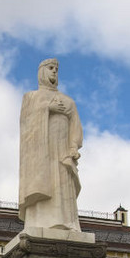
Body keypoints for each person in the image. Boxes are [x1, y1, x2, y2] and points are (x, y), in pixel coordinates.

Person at [19, 58, 83, 232]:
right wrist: (47, 108)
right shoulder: (31, 97)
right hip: (40, 153)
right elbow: (26, 125)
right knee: (44, 181)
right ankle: (38, 222)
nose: (54, 71)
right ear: (42, 71)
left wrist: (73, 147)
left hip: (62, 151)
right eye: (50, 68)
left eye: (56, 69)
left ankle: (67, 223)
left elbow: (75, 126)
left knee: (62, 182)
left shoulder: (68, 101)